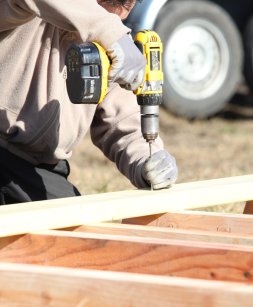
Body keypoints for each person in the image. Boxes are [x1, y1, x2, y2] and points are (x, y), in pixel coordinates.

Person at [0, 0, 178, 204]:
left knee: (77, 230)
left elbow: (121, 117)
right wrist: (109, 31)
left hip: (36, 165)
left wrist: (147, 158)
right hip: (5, 149)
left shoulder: (106, 39)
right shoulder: (24, 10)